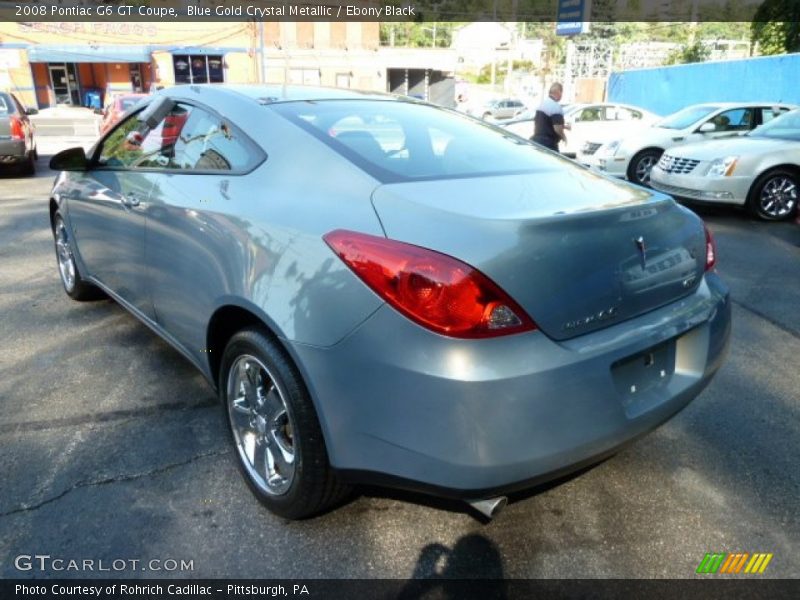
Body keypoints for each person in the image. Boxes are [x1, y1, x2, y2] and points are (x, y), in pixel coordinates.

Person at [532, 82, 568, 152]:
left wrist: (564, 126)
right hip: (548, 144)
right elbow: (557, 128)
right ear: (558, 92)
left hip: (537, 141)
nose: (561, 96)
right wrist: (564, 136)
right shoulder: (555, 107)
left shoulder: (542, 104)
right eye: (561, 92)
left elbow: (546, 123)